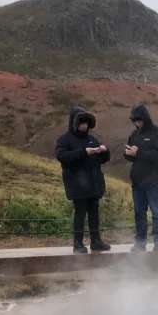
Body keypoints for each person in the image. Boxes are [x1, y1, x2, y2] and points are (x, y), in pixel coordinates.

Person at [55, 106, 112, 253]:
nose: (84, 125)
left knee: (94, 213)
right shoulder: (64, 139)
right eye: (81, 123)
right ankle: (78, 244)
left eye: (86, 123)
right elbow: (62, 157)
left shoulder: (92, 139)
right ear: (74, 123)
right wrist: (83, 152)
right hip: (77, 184)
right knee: (80, 213)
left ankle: (96, 241)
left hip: (93, 183)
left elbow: (102, 160)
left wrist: (105, 152)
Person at [124, 104, 158, 251]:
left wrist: (138, 153)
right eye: (135, 121)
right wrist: (128, 154)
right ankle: (140, 242)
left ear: (146, 119)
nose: (137, 123)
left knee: (156, 212)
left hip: (154, 181)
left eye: (139, 120)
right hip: (138, 182)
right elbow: (130, 156)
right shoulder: (134, 135)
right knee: (139, 213)